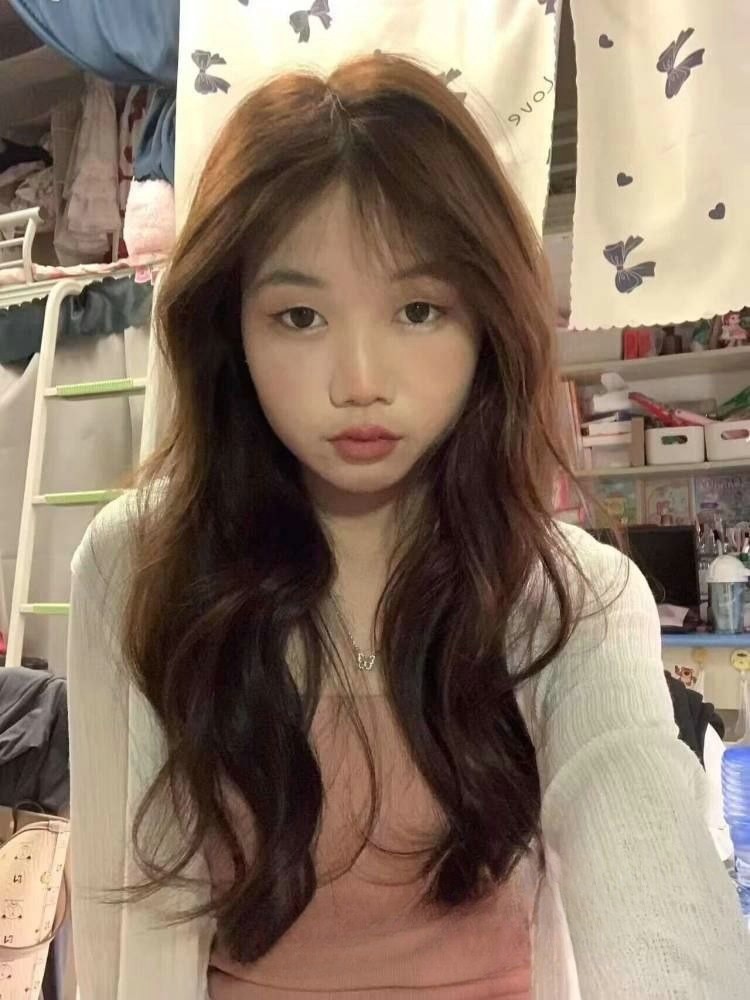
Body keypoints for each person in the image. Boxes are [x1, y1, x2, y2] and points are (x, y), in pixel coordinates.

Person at [67, 54, 749, 999]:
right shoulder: (141, 566)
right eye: (299, 316)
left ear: (487, 321)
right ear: (231, 329)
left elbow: (649, 877)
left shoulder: (570, 598)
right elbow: (121, 933)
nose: (360, 380)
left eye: (419, 310)